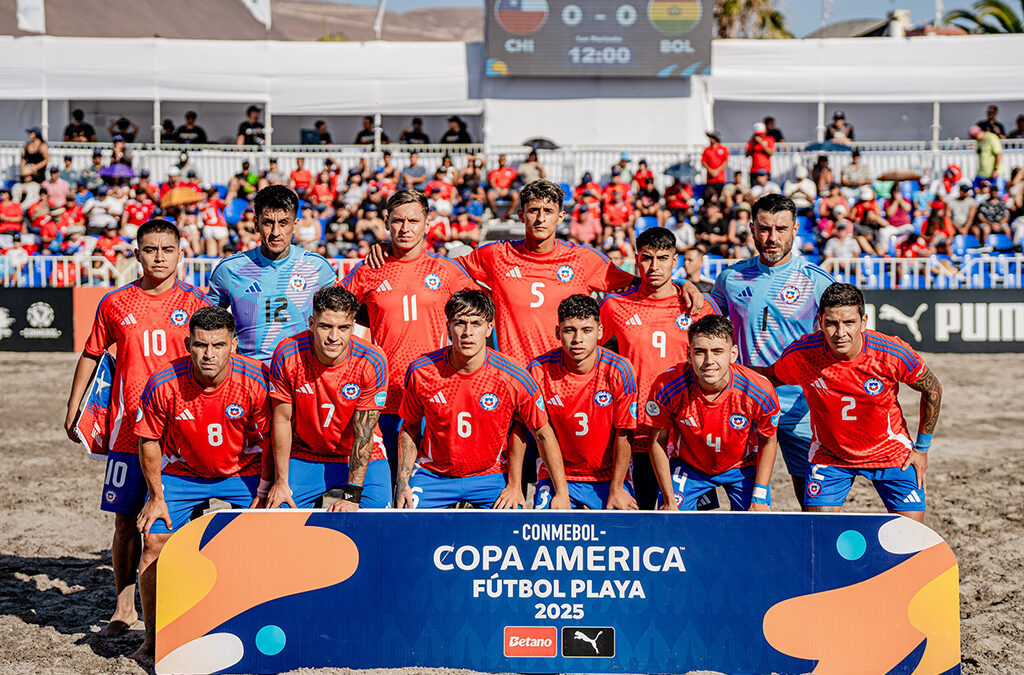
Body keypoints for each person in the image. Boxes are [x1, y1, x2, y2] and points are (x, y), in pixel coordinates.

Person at [366, 180, 703, 368]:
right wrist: (390, 248)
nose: (541, 218)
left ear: (561, 217)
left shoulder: (584, 259)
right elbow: (437, 267)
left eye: (548, 211)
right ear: (521, 215)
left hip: (565, 377)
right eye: (533, 211)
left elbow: (645, 283)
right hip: (513, 376)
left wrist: (683, 284)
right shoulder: (495, 255)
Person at [62, 219, 213, 639]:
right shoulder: (115, 302)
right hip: (129, 429)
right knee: (125, 521)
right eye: (150, 249)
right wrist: (74, 405)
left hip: (182, 431)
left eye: (167, 249)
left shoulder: (199, 302)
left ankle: (179, 599)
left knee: (182, 521)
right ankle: (124, 606)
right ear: (137, 253)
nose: (159, 257)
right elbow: (92, 353)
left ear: (181, 253)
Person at [133, 306, 271, 658]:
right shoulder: (163, 383)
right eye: (200, 345)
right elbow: (148, 440)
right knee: (154, 542)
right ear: (188, 344)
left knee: (263, 542)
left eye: (218, 345)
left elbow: (272, 436)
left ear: (233, 345)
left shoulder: (255, 379)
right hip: (183, 472)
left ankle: (255, 626)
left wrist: (266, 487)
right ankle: (153, 638)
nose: (209, 354)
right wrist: (156, 496)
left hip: (242, 471)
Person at [762, 283, 941, 522]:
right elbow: (769, 377)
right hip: (830, 455)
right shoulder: (803, 354)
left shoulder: (891, 352)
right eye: (831, 323)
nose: (840, 332)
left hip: (890, 452)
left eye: (849, 322)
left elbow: (932, 389)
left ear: (863, 322)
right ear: (820, 321)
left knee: (911, 536)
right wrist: (727, 374)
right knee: (819, 533)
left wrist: (922, 449)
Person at [340, 189, 477, 482]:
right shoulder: (369, 269)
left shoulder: (446, 270)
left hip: (435, 395)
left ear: (427, 225)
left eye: (413, 221)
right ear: (387, 223)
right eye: (398, 220)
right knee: (387, 486)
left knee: (433, 486)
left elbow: (480, 317)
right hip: (384, 395)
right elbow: (333, 311)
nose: (405, 228)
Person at [710, 194, 834, 508]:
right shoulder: (730, 279)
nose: (772, 237)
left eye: (781, 228)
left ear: (795, 229)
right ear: (752, 228)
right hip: (745, 404)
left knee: (815, 505)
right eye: (764, 228)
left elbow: (840, 344)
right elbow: (708, 330)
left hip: (800, 407)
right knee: (746, 502)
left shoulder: (817, 281)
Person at [395, 290, 569, 509]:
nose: (468, 332)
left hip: (490, 476)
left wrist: (557, 492)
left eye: (476, 323)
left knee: (512, 525)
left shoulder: (514, 376)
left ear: (489, 328)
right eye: (460, 323)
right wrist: (402, 483)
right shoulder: (421, 371)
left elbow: (542, 433)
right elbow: (410, 428)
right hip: (433, 475)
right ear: (448, 327)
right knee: (405, 520)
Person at [600, 228, 719, 509]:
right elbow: (595, 360)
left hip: (687, 430)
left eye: (663, 258)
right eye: (647, 258)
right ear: (636, 259)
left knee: (694, 519)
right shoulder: (615, 306)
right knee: (641, 515)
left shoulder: (699, 307)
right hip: (638, 428)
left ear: (675, 260)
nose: (654, 266)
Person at [264, 286, 391, 511]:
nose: (334, 337)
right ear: (311, 323)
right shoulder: (287, 354)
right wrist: (281, 481)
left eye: (343, 328)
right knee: (281, 510)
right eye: (325, 326)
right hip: (306, 453)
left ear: (353, 327)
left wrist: (352, 496)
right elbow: (282, 420)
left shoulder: (371, 360)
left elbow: (364, 434)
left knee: (377, 515)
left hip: (357, 452)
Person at [648, 315, 779, 511]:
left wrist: (759, 497)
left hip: (742, 465)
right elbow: (657, 441)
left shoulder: (759, 390)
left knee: (756, 522)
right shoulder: (667, 386)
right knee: (672, 521)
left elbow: (768, 440)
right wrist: (669, 500)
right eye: (700, 352)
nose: (709, 361)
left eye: (718, 351)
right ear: (688, 354)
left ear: (733, 354)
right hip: (689, 465)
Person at [527, 295, 638, 510]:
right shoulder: (539, 370)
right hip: (557, 474)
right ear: (557, 332)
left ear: (600, 331)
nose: (578, 339)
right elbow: (541, 434)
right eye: (570, 330)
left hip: (609, 475)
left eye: (587, 330)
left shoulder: (620, 370)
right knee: (546, 525)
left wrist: (616, 488)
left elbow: (624, 434)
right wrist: (561, 492)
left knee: (622, 527)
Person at [207, 185, 338, 364]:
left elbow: (342, 318)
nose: (276, 232)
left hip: (300, 373)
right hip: (250, 374)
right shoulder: (229, 269)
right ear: (256, 224)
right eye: (268, 223)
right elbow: (207, 326)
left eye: (283, 223)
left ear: (295, 225)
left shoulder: (317, 267)